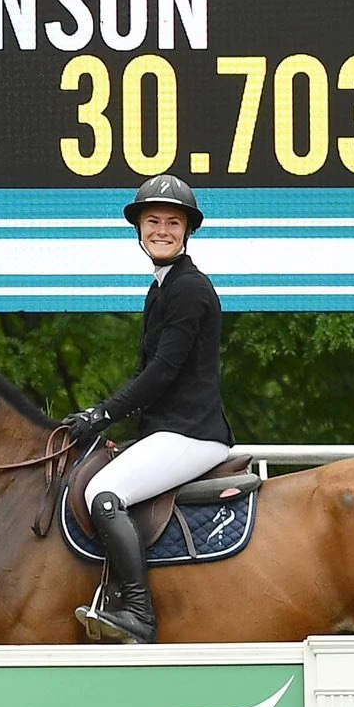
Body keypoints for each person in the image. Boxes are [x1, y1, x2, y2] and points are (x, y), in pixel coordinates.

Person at [62, 176, 234, 644]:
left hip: (193, 432)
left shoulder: (189, 289)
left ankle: (138, 612)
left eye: (172, 223)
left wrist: (102, 414)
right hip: (170, 430)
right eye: (152, 221)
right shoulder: (162, 287)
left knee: (103, 494)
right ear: (139, 229)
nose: (162, 230)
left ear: (187, 231)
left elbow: (162, 372)